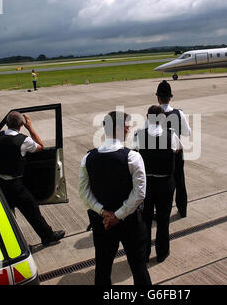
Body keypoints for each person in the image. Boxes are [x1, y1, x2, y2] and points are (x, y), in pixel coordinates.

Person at [79, 111, 151, 286]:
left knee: (102, 269)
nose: (129, 129)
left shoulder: (88, 158)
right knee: (138, 268)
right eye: (127, 125)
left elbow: (84, 193)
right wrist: (118, 215)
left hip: (102, 223)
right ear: (119, 128)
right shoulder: (133, 157)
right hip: (130, 222)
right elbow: (139, 193)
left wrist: (104, 212)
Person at [0, 111, 65, 246]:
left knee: (5, 216)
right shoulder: (23, 140)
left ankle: (9, 244)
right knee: (32, 212)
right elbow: (41, 146)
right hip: (15, 186)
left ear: (6, 124)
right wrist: (30, 128)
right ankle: (47, 236)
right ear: (21, 125)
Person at [134, 105, 182, 263]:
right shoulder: (171, 135)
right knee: (163, 219)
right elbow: (177, 150)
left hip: (146, 184)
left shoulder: (139, 135)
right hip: (165, 183)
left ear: (148, 118)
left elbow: (135, 154)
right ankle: (162, 252)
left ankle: (145, 252)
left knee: (145, 220)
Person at [156, 80, 191, 218]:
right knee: (180, 181)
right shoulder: (178, 113)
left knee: (162, 185)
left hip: (159, 154)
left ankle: (162, 212)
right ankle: (182, 210)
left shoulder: (153, 114)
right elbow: (187, 132)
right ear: (170, 98)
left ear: (158, 99)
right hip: (176, 152)